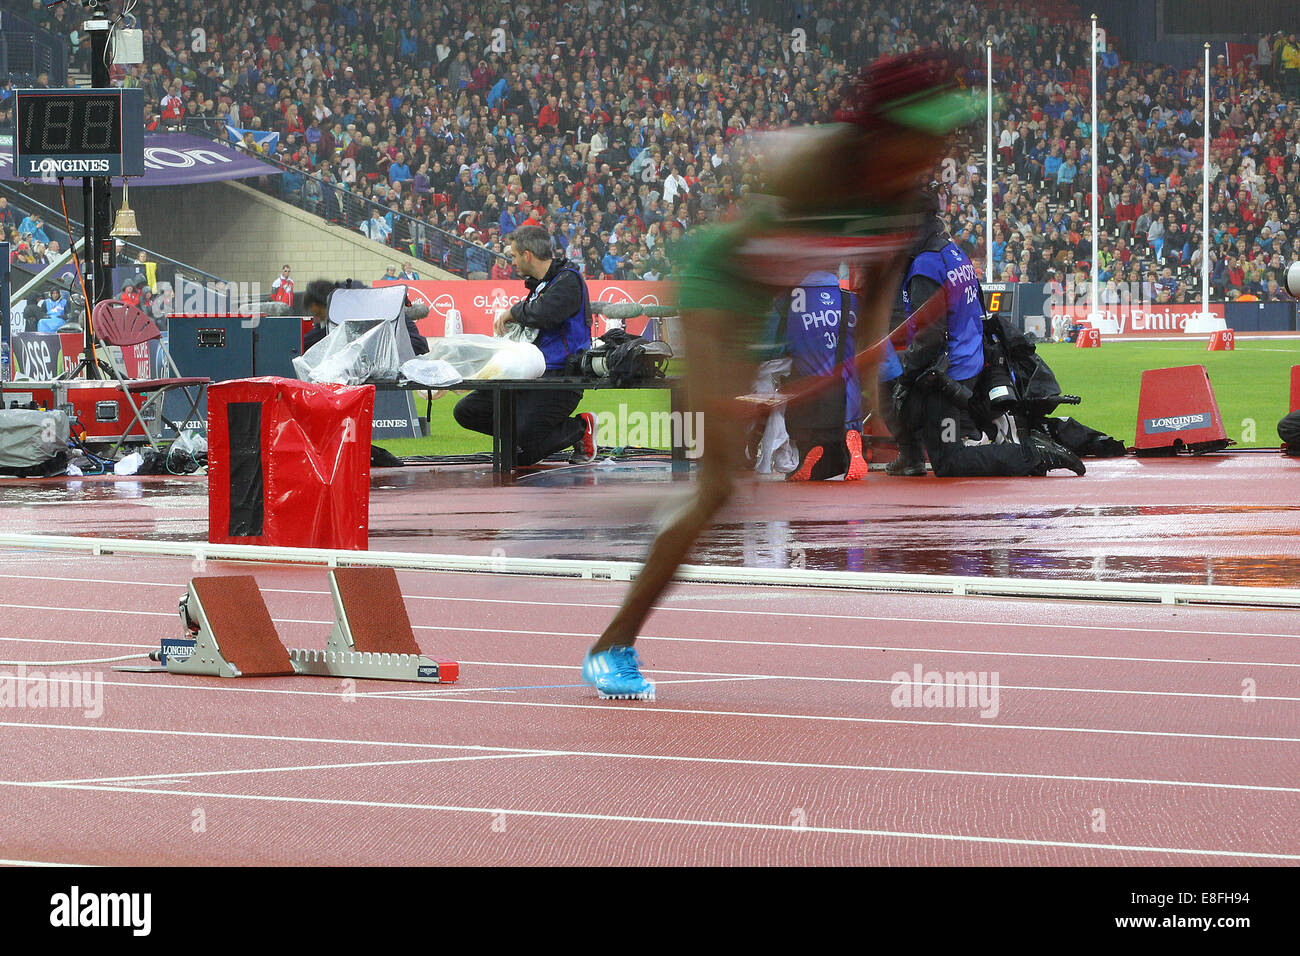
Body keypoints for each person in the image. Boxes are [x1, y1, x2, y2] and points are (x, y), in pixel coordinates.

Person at [581, 52, 984, 700]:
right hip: (719, 288)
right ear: (883, 130)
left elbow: (874, 294)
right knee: (719, 488)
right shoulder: (816, 168)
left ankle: (640, 533)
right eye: (925, 134)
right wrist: (716, 389)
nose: (938, 150)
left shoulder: (903, 200)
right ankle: (611, 644)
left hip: (762, 297)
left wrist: (871, 387)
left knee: (721, 490)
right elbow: (727, 258)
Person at [887, 189, 1085, 478]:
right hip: (970, 365)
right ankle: (913, 455)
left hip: (947, 376)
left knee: (948, 461)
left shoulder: (926, 265)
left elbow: (929, 336)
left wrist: (905, 379)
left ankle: (1033, 454)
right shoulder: (953, 252)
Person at [452, 225, 596, 467]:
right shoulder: (541, 285)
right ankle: (521, 439)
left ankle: (580, 428)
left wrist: (513, 311)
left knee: (522, 455)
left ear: (527, 255)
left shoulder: (569, 280)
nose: (512, 262)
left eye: (514, 255)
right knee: (467, 410)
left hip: (560, 378)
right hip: (529, 375)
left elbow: (544, 314)